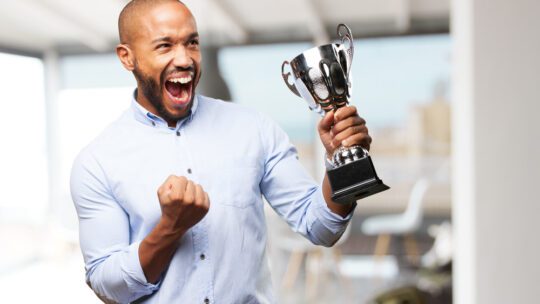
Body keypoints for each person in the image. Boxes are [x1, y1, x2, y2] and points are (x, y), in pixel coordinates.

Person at [70, 0, 372, 303]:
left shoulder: (254, 129)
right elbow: (108, 287)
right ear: (127, 57)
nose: (185, 59)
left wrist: (342, 163)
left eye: (192, 43)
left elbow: (322, 227)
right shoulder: (97, 162)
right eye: (164, 46)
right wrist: (170, 229)